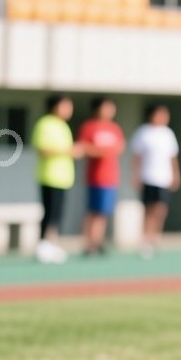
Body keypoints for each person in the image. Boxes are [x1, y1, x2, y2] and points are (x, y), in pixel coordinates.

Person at [30, 94, 78, 264]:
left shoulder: (64, 126)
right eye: (65, 106)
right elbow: (42, 149)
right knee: (49, 213)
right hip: (50, 176)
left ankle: (51, 245)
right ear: (55, 106)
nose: (69, 109)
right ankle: (43, 246)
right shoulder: (45, 124)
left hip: (63, 178)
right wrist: (69, 151)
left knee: (57, 214)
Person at [130, 102, 180, 258]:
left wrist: (176, 175)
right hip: (148, 177)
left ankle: (155, 236)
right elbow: (137, 157)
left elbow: (173, 157)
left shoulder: (168, 134)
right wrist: (136, 175)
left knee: (160, 208)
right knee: (148, 209)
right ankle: (145, 240)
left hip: (163, 178)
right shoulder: (143, 132)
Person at [77, 97, 125, 257]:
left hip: (111, 177)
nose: (110, 111)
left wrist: (103, 151)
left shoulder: (114, 128)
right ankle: (89, 243)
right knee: (93, 211)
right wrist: (102, 151)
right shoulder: (89, 127)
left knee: (104, 212)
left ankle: (98, 241)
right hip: (95, 177)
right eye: (106, 107)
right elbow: (83, 148)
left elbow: (119, 148)